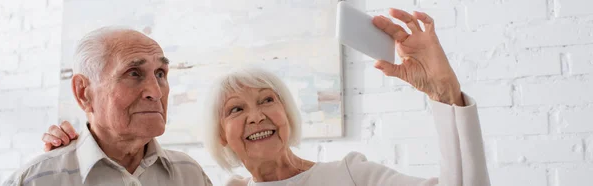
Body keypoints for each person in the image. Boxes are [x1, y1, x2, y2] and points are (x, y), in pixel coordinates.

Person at [41, 9, 490, 186]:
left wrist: (444, 93)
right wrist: (79, 145)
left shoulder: (352, 174)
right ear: (222, 135)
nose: (257, 116)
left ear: (287, 112)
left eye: (267, 100)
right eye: (236, 109)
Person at [4, 27, 212, 186]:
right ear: (83, 92)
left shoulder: (190, 174)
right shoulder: (37, 179)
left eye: (160, 73)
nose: (156, 92)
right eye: (133, 73)